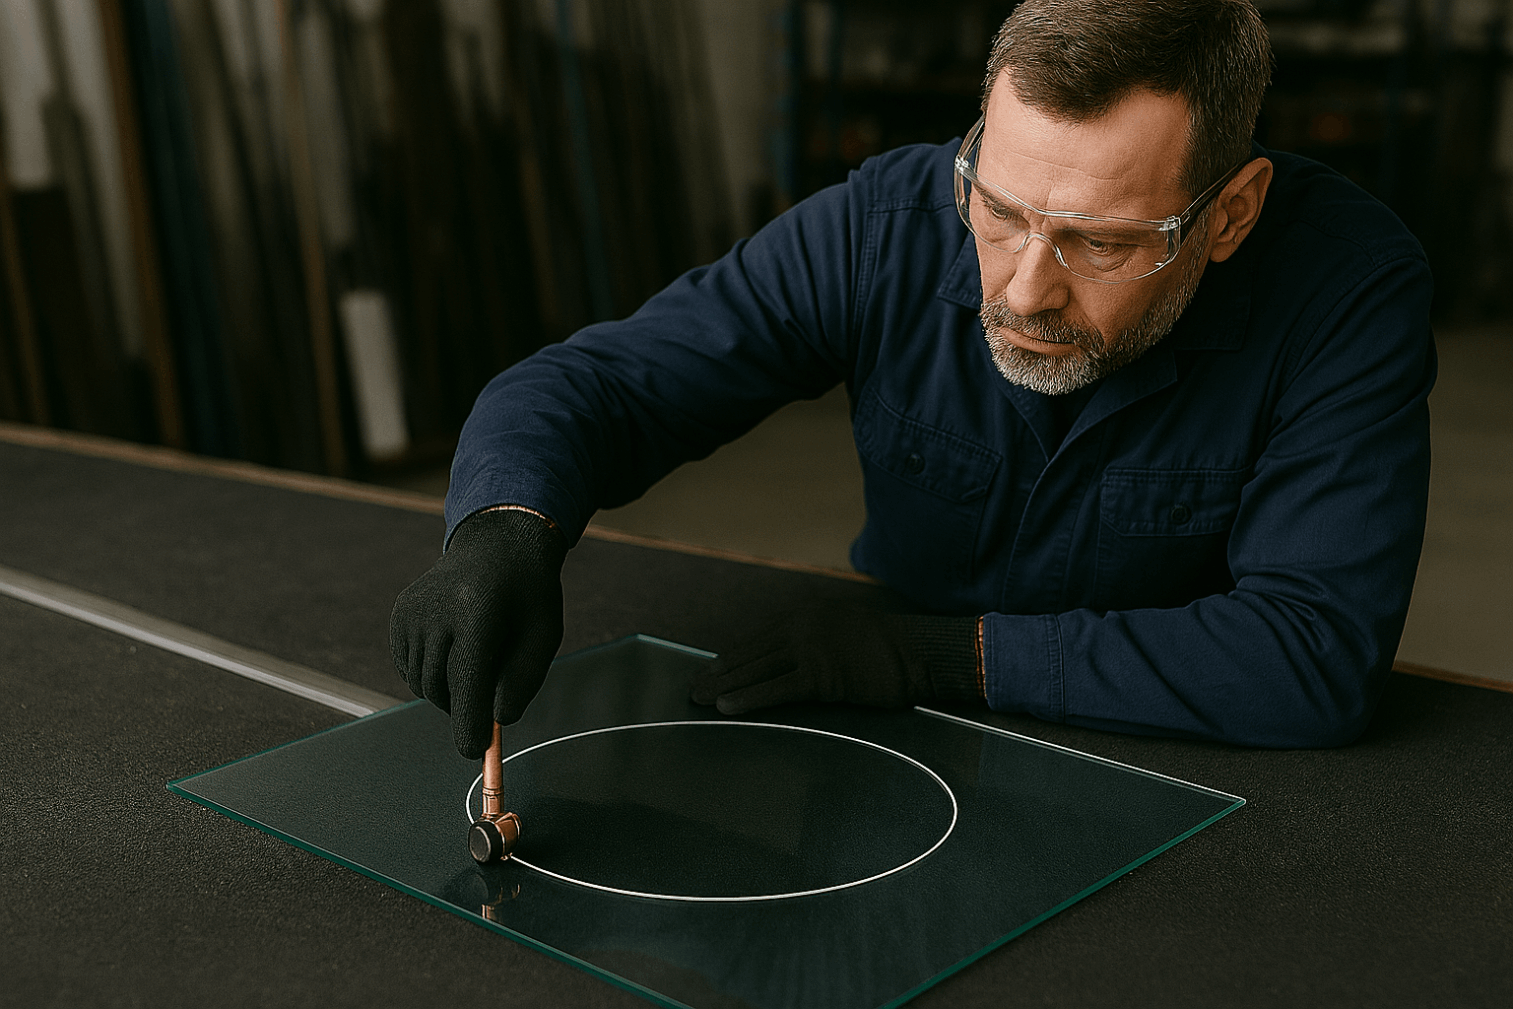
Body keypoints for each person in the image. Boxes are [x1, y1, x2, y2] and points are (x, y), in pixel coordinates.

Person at [389, 0, 1434, 757]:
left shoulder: (1346, 289)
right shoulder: (888, 222)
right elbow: (604, 384)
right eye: (1003, 211)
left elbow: (1308, 654)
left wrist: (943, 659)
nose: (1026, 289)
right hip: (882, 745)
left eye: (1100, 245)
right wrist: (504, 523)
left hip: (1181, 759)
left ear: (1231, 214)